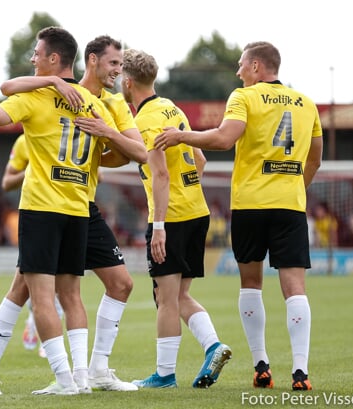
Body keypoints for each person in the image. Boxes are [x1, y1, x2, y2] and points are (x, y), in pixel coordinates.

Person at [0, 33, 147, 395]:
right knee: (57, 293)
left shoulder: (52, 99)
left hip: (47, 206)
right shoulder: (91, 103)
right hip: (77, 209)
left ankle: (68, 379)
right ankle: (76, 376)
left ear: (53, 58)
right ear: (90, 60)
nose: (117, 70)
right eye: (113, 63)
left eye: (37, 55)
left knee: (45, 296)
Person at [154, 41, 323, 391]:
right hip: (289, 206)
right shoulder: (307, 103)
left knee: (251, 284)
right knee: (294, 289)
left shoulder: (244, 97)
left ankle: (261, 365)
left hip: (250, 205)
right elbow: (315, 159)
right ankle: (301, 373)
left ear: (258, 66)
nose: (238, 71)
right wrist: (296, 189)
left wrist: (180, 135)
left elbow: (223, 139)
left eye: (242, 64)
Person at [119, 49, 231, 389]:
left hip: (174, 218)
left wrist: (159, 225)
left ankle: (165, 375)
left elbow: (161, 177)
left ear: (127, 83)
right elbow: (200, 160)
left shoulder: (143, 122)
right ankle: (214, 346)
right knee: (177, 296)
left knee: (165, 298)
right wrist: (187, 191)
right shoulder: (173, 108)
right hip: (197, 211)